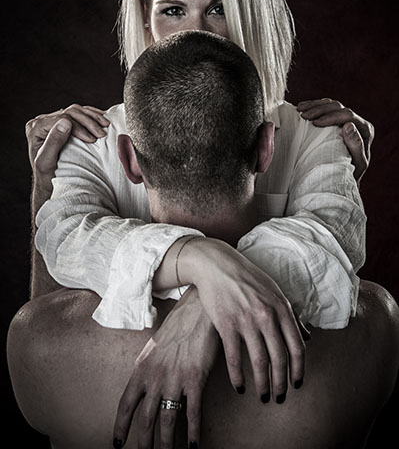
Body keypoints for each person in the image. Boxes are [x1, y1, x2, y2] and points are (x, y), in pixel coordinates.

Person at [24, 0, 373, 435]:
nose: (201, 33)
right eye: (173, 10)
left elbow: (331, 244)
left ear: (251, 13)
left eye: (218, 8)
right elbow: (59, 280)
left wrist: (199, 313)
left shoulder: (313, 137)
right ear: (145, 19)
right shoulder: (94, 141)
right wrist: (198, 259)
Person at [8, 31, 398, 449]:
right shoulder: (373, 326)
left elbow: (52, 289)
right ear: (266, 148)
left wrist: (202, 281)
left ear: (129, 161)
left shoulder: (39, 339)